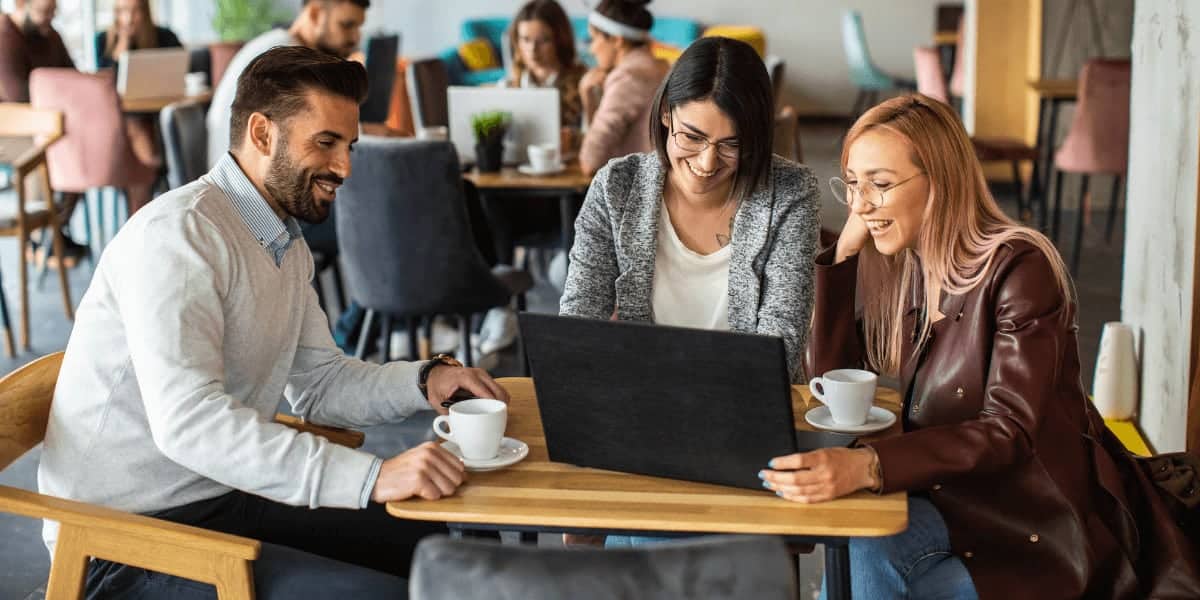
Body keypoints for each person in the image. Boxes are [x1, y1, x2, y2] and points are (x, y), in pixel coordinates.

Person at [39, 46, 510, 599]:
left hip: (221, 493)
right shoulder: (178, 237)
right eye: (326, 143)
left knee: (447, 547)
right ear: (263, 135)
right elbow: (190, 424)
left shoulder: (281, 239)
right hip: (120, 543)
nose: (345, 168)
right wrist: (373, 477)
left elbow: (319, 383)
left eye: (349, 145)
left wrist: (423, 380)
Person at [761, 94, 1200, 598]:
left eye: (880, 185)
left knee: (855, 573)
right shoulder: (913, 268)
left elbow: (1010, 429)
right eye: (855, 185)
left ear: (941, 181)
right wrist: (841, 256)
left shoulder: (1021, 268)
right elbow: (833, 387)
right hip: (951, 503)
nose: (860, 205)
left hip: (1029, 524)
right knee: (856, 553)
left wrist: (870, 464)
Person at [207, 0, 368, 168]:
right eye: (347, 25)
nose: (355, 38)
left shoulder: (282, 47)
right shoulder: (288, 62)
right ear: (315, 14)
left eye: (358, 28)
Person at [577, 0, 669, 176]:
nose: (591, 49)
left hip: (636, 186)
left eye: (594, 38)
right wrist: (589, 97)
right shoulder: (659, 66)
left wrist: (584, 92)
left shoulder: (628, 76)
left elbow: (590, 161)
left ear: (617, 40)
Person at [0, 0, 72, 103]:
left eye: (54, 11)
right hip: (21, 115)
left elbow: (72, 76)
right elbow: (19, 98)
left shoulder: (50, 34)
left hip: (52, 111)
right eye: (45, 11)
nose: (51, 17)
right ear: (21, 4)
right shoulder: (4, 37)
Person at [93, 0, 180, 69]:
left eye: (136, 10)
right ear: (115, 12)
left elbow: (182, 67)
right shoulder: (101, 40)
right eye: (123, 10)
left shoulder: (167, 36)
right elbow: (105, 80)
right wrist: (123, 44)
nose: (129, 19)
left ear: (145, 12)